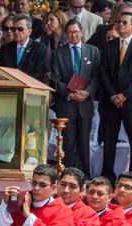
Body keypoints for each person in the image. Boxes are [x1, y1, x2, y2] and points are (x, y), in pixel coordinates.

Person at [100, 12, 132, 184]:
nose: (120, 25)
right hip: (111, 101)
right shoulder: (110, 45)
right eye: (119, 22)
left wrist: (124, 95)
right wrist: (113, 94)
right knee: (109, 140)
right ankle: (107, 175)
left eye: (124, 22)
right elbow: (104, 72)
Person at [51, 19, 100, 178]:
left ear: (82, 32)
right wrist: (70, 94)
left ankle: (85, 176)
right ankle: (69, 176)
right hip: (67, 104)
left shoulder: (92, 51)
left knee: (84, 143)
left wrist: (87, 93)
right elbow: (55, 79)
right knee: (69, 143)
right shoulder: (58, 53)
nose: (74, 35)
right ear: (66, 34)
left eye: (77, 31)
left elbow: (96, 76)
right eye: (71, 32)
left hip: (85, 104)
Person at [0, 14, 49, 81]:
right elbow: (1, 71)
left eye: (20, 29)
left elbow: (40, 73)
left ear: (30, 31)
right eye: (14, 29)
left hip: (31, 88)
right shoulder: (5, 48)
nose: (16, 32)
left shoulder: (40, 49)